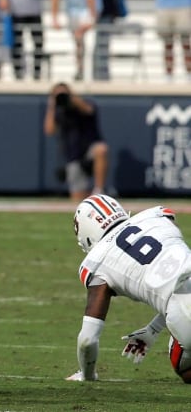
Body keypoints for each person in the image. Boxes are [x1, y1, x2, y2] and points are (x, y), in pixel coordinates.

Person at [65, 194, 191, 383]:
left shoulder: (96, 264)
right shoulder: (156, 215)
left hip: (183, 315)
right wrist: (153, 329)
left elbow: (87, 340)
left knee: (182, 364)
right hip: (182, 301)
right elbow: (180, 280)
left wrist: (87, 374)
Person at [44, 82, 108, 202]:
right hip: (73, 156)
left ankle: (99, 189)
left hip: (89, 149)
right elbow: (49, 130)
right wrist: (52, 105)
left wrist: (72, 99)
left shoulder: (82, 104)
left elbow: (88, 110)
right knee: (77, 200)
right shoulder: (58, 111)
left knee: (101, 149)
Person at [50, 0, 100, 81]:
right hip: (85, 14)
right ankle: (82, 71)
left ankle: (81, 70)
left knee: (79, 43)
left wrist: (55, 18)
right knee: (82, 44)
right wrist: (93, 18)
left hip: (73, 14)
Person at [0, 0, 44, 80]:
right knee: (17, 44)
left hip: (34, 9)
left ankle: (37, 73)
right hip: (16, 9)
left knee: (38, 42)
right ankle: (18, 74)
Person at [153, 0, 191, 83]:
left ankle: (189, 74)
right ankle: (169, 75)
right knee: (168, 43)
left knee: (186, 42)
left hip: (184, 6)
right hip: (164, 7)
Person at [92, 0, 127, 81]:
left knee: (103, 48)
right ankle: (99, 76)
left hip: (107, 14)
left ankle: (102, 76)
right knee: (100, 48)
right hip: (100, 15)